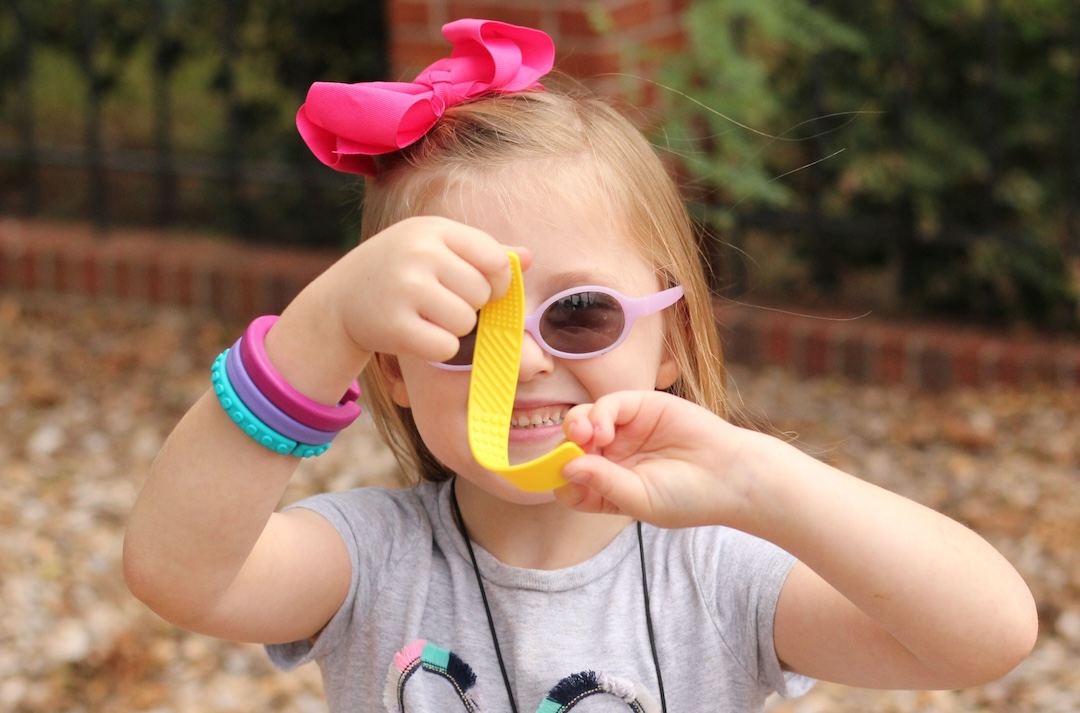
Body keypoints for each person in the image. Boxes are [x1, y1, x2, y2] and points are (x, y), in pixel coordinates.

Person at [123, 18, 1037, 713]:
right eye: (463, 330)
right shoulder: (371, 560)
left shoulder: (717, 575)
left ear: (670, 340)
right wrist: (318, 329)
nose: (520, 365)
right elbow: (178, 571)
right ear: (392, 370)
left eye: (583, 313)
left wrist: (760, 475)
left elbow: (985, 636)